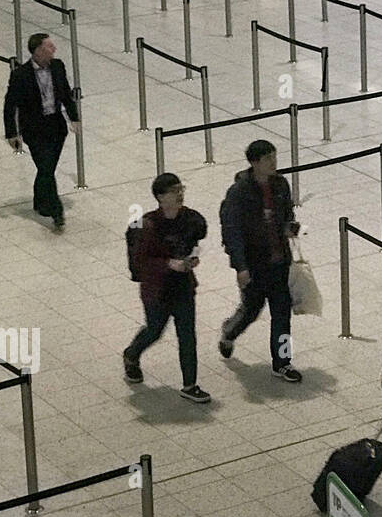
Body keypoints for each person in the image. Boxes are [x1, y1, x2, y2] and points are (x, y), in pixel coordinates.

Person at [218, 140, 303, 382]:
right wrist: (240, 266)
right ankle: (229, 332)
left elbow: (287, 213)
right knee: (251, 310)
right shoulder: (239, 193)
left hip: (279, 260)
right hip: (254, 263)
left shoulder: (280, 184)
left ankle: (283, 362)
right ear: (254, 163)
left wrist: (289, 226)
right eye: (268, 159)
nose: (273, 163)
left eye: (274, 158)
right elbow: (231, 231)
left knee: (282, 313)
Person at [123, 174, 211, 403]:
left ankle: (190, 384)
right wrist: (168, 264)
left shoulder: (191, 219)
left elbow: (194, 242)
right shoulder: (147, 225)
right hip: (157, 288)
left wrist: (191, 259)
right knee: (154, 330)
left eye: (181, 189)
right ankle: (132, 355)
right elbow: (140, 260)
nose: (180, 194)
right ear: (160, 197)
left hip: (183, 285)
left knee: (187, 335)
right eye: (174, 191)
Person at [3, 33, 80, 230]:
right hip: (35, 130)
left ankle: (39, 201)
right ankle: (56, 211)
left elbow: (65, 93)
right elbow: (10, 105)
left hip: (56, 126)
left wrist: (74, 118)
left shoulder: (57, 66)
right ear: (37, 50)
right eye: (49, 46)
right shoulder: (21, 75)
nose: (53, 49)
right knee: (46, 168)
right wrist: (12, 133)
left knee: (47, 169)